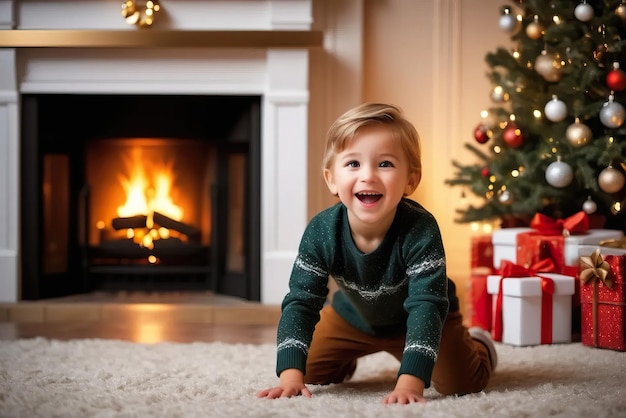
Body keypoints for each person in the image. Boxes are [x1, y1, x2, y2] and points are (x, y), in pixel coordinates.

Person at [256, 103, 497, 405]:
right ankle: (344, 359)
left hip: (423, 318)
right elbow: (301, 301)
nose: (368, 176)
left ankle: (480, 344)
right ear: (331, 178)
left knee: (462, 383)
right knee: (312, 371)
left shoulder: (420, 228)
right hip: (352, 317)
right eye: (353, 164)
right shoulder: (321, 230)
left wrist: (410, 382)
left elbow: (426, 305)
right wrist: (290, 375)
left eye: (385, 164)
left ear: (411, 180)